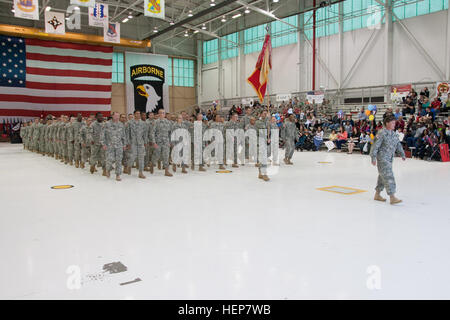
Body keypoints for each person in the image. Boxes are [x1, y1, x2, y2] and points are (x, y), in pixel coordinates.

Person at [370, 114, 406, 205]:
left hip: (390, 158)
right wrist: (373, 157)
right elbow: (375, 146)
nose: (394, 124)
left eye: (395, 123)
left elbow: (398, 145)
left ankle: (377, 194)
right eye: (392, 123)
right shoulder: (381, 133)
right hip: (382, 158)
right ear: (387, 123)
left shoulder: (394, 134)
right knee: (389, 176)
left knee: (382, 176)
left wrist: (402, 154)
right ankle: (392, 196)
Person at [101, 112, 126, 181]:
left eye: (118, 116)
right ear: (112, 116)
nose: (117, 117)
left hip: (119, 145)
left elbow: (124, 136)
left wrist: (124, 144)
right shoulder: (107, 124)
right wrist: (103, 144)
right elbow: (102, 134)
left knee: (119, 160)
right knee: (109, 160)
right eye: (116, 116)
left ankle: (118, 174)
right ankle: (108, 170)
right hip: (110, 145)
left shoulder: (121, 124)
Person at [150, 109, 173, 177]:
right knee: (156, 155)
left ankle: (166, 171)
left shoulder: (168, 122)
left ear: (165, 114)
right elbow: (152, 133)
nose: (162, 114)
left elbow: (170, 133)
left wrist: (170, 141)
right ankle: (152, 164)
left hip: (166, 142)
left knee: (166, 156)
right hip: (158, 142)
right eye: (161, 113)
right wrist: (154, 142)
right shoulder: (155, 122)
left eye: (163, 113)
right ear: (158, 114)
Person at [125, 110, 147, 179]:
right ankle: (129, 166)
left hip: (141, 142)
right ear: (134, 114)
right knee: (132, 156)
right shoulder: (129, 123)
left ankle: (141, 173)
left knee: (141, 157)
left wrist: (145, 142)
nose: (138, 115)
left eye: (139, 113)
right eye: (137, 113)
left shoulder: (143, 123)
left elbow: (145, 134)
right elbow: (127, 134)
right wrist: (128, 143)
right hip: (133, 143)